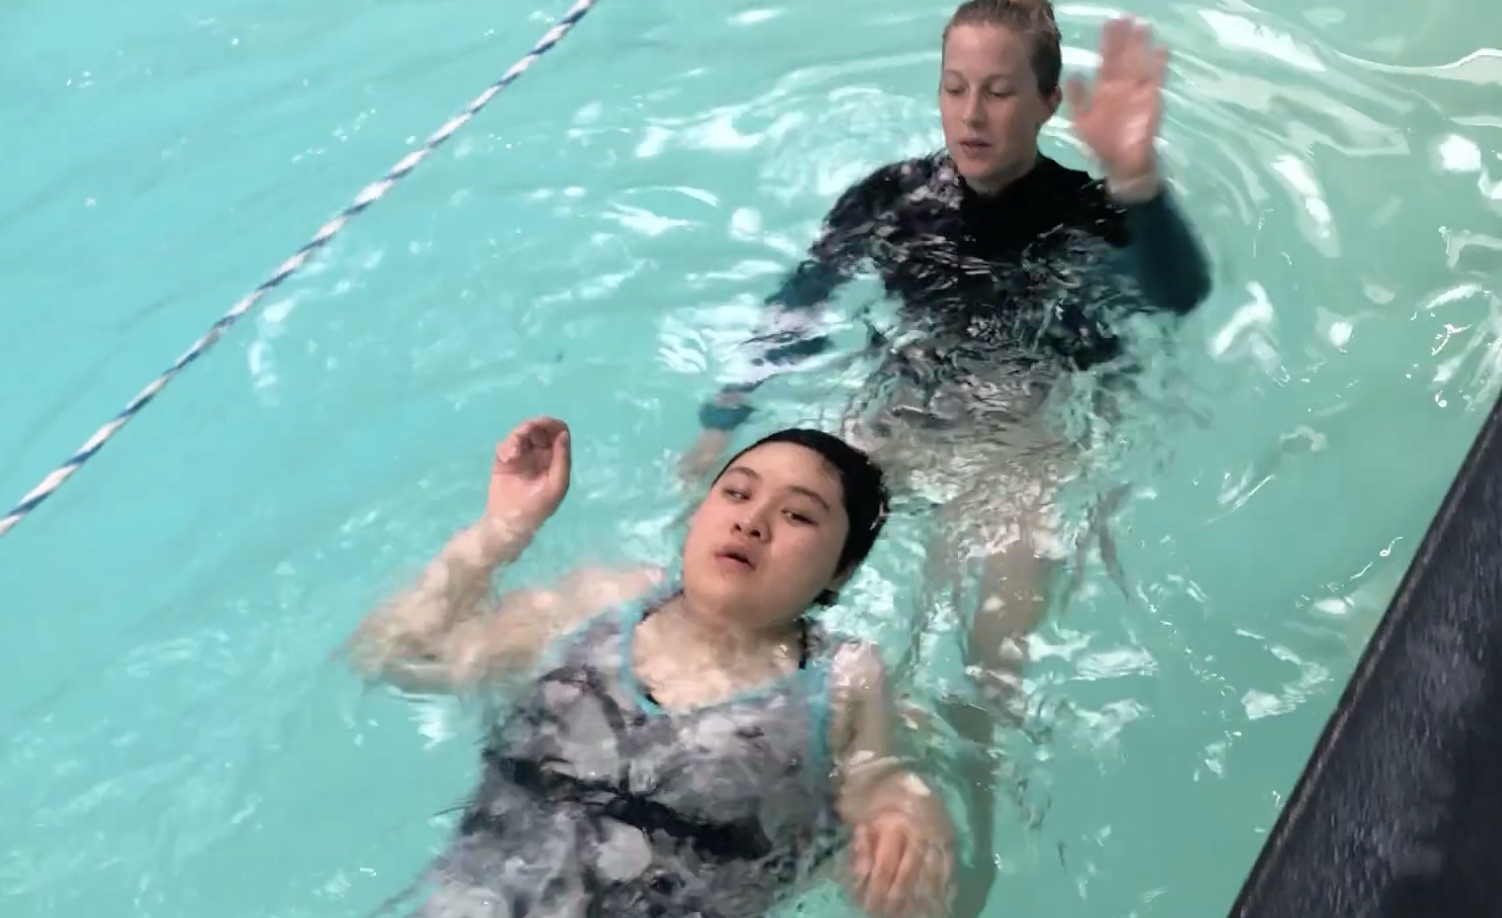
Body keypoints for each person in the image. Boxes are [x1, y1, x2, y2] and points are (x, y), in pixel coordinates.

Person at [679, 2, 1213, 914]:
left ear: (1048, 100)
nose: (971, 114)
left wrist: (1138, 181)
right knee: (780, 588)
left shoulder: (1091, 215)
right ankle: (770, 783)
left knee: (986, 671)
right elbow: (801, 302)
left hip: (1028, 439)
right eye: (955, 87)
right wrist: (721, 417)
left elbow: (1177, 295)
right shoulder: (893, 198)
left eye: (1001, 92)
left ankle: (962, 863)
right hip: (903, 415)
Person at [344, 416, 956, 918]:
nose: (752, 520)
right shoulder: (601, 604)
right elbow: (393, 654)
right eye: (736, 492)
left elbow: (877, 783)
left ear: (841, 571)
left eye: (797, 515)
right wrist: (503, 528)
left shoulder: (843, 679)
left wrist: (903, 810)